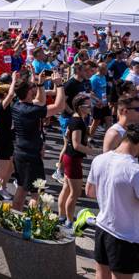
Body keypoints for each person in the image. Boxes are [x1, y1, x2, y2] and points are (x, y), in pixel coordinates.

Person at [86, 123, 139, 279]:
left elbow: (90, 192)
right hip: (126, 236)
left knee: (101, 275)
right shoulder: (134, 170)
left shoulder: (100, 159)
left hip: (103, 227)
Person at [11, 71, 65, 211]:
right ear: (29, 92)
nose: (35, 88)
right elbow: (59, 107)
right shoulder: (30, 111)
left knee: (22, 187)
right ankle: (30, 222)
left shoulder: (17, 105)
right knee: (36, 192)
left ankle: (15, 215)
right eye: (33, 87)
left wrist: (40, 84)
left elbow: (40, 102)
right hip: (30, 155)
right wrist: (59, 85)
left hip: (20, 152)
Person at [58, 93, 99, 230]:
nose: (90, 107)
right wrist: (96, 153)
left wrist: (86, 143)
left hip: (70, 158)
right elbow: (76, 145)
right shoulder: (77, 121)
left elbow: (69, 137)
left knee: (66, 189)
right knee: (74, 194)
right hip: (73, 160)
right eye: (88, 105)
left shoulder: (76, 119)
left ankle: (62, 217)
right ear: (80, 107)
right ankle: (69, 221)